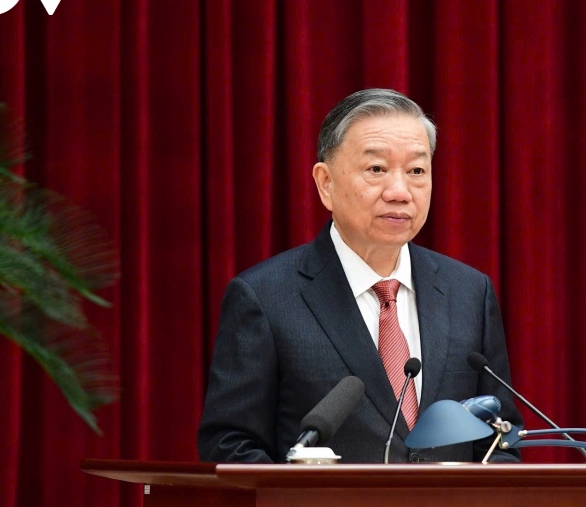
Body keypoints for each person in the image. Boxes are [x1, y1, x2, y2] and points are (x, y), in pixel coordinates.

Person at [197, 89, 522, 463]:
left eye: (416, 171)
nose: (399, 192)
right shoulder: (265, 298)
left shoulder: (469, 292)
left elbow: (501, 440)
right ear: (326, 183)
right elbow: (230, 446)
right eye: (376, 169)